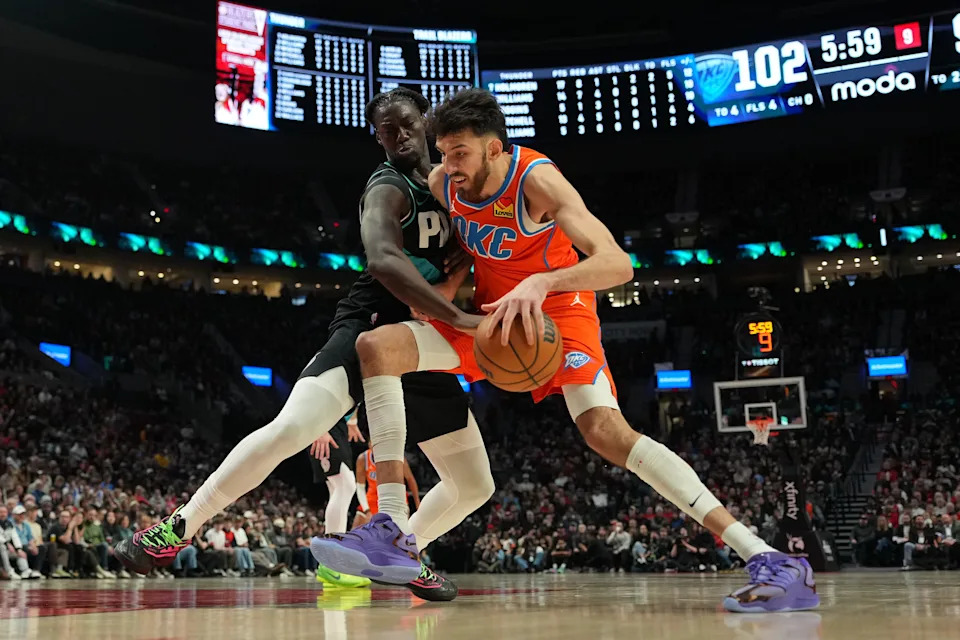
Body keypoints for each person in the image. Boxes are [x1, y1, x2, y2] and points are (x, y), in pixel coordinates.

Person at [310, 87, 818, 614]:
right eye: (442, 153)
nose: (447, 166)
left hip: (559, 314)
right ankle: (390, 529)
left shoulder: (536, 180)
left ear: (495, 148)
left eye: (459, 153)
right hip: (492, 319)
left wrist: (542, 282)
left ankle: (768, 558)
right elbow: (461, 247)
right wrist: (442, 298)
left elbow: (618, 266)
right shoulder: (445, 181)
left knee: (604, 431)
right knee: (377, 346)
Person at [114, 88, 496, 603]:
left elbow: (468, 255)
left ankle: (401, 550)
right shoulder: (387, 186)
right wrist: (455, 313)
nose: (401, 136)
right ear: (378, 139)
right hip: (371, 324)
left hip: (422, 340)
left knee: (474, 485)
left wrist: (450, 293)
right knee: (292, 428)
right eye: (388, 131)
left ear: (425, 120)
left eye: (407, 124)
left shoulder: (456, 183)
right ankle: (176, 527)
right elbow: (383, 258)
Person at [306, 412, 371, 587]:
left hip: (337, 423)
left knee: (337, 487)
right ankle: (332, 564)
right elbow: (311, 387)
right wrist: (320, 427)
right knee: (345, 485)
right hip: (324, 423)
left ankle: (333, 568)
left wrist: (353, 420)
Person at [352, 439, 421, 528]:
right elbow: (360, 487)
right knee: (354, 534)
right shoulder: (363, 458)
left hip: (395, 500)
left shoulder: (396, 457)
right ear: (369, 444)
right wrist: (367, 510)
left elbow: (410, 479)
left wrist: (417, 504)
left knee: (394, 536)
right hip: (372, 500)